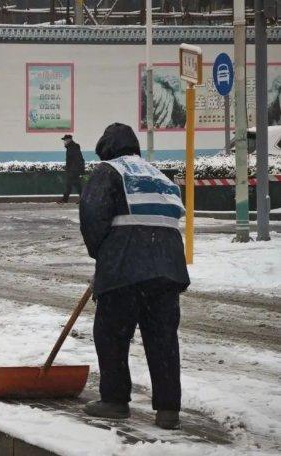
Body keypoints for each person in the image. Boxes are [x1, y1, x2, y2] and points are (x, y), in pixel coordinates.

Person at [79, 123, 190, 430]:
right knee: (163, 339)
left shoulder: (108, 172)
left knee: (111, 334)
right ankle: (168, 410)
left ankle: (114, 402)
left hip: (125, 268)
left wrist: (104, 255)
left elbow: (93, 217)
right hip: (167, 269)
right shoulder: (159, 176)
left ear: (106, 148)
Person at [61, 134, 85, 203]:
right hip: (73, 170)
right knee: (76, 185)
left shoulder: (73, 148)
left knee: (71, 185)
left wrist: (74, 170)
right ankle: (82, 199)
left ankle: (65, 200)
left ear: (69, 140)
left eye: (65, 140)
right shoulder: (70, 147)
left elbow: (78, 160)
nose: (64, 141)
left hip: (73, 171)